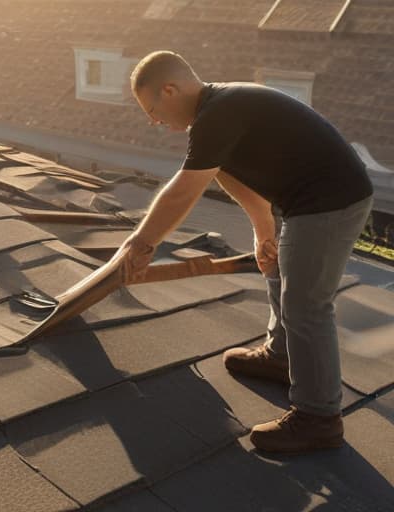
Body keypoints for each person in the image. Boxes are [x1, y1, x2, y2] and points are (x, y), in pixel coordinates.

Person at [118, 50, 373, 453]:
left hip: (331, 201)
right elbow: (230, 175)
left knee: (306, 303)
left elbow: (184, 191)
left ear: (170, 89)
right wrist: (263, 228)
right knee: (277, 269)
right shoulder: (214, 117)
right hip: (302, 201)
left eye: (152, 109)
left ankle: (319, 417)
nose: (153, 121)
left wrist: (142, 242)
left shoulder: (219, 112)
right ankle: (281, 357)